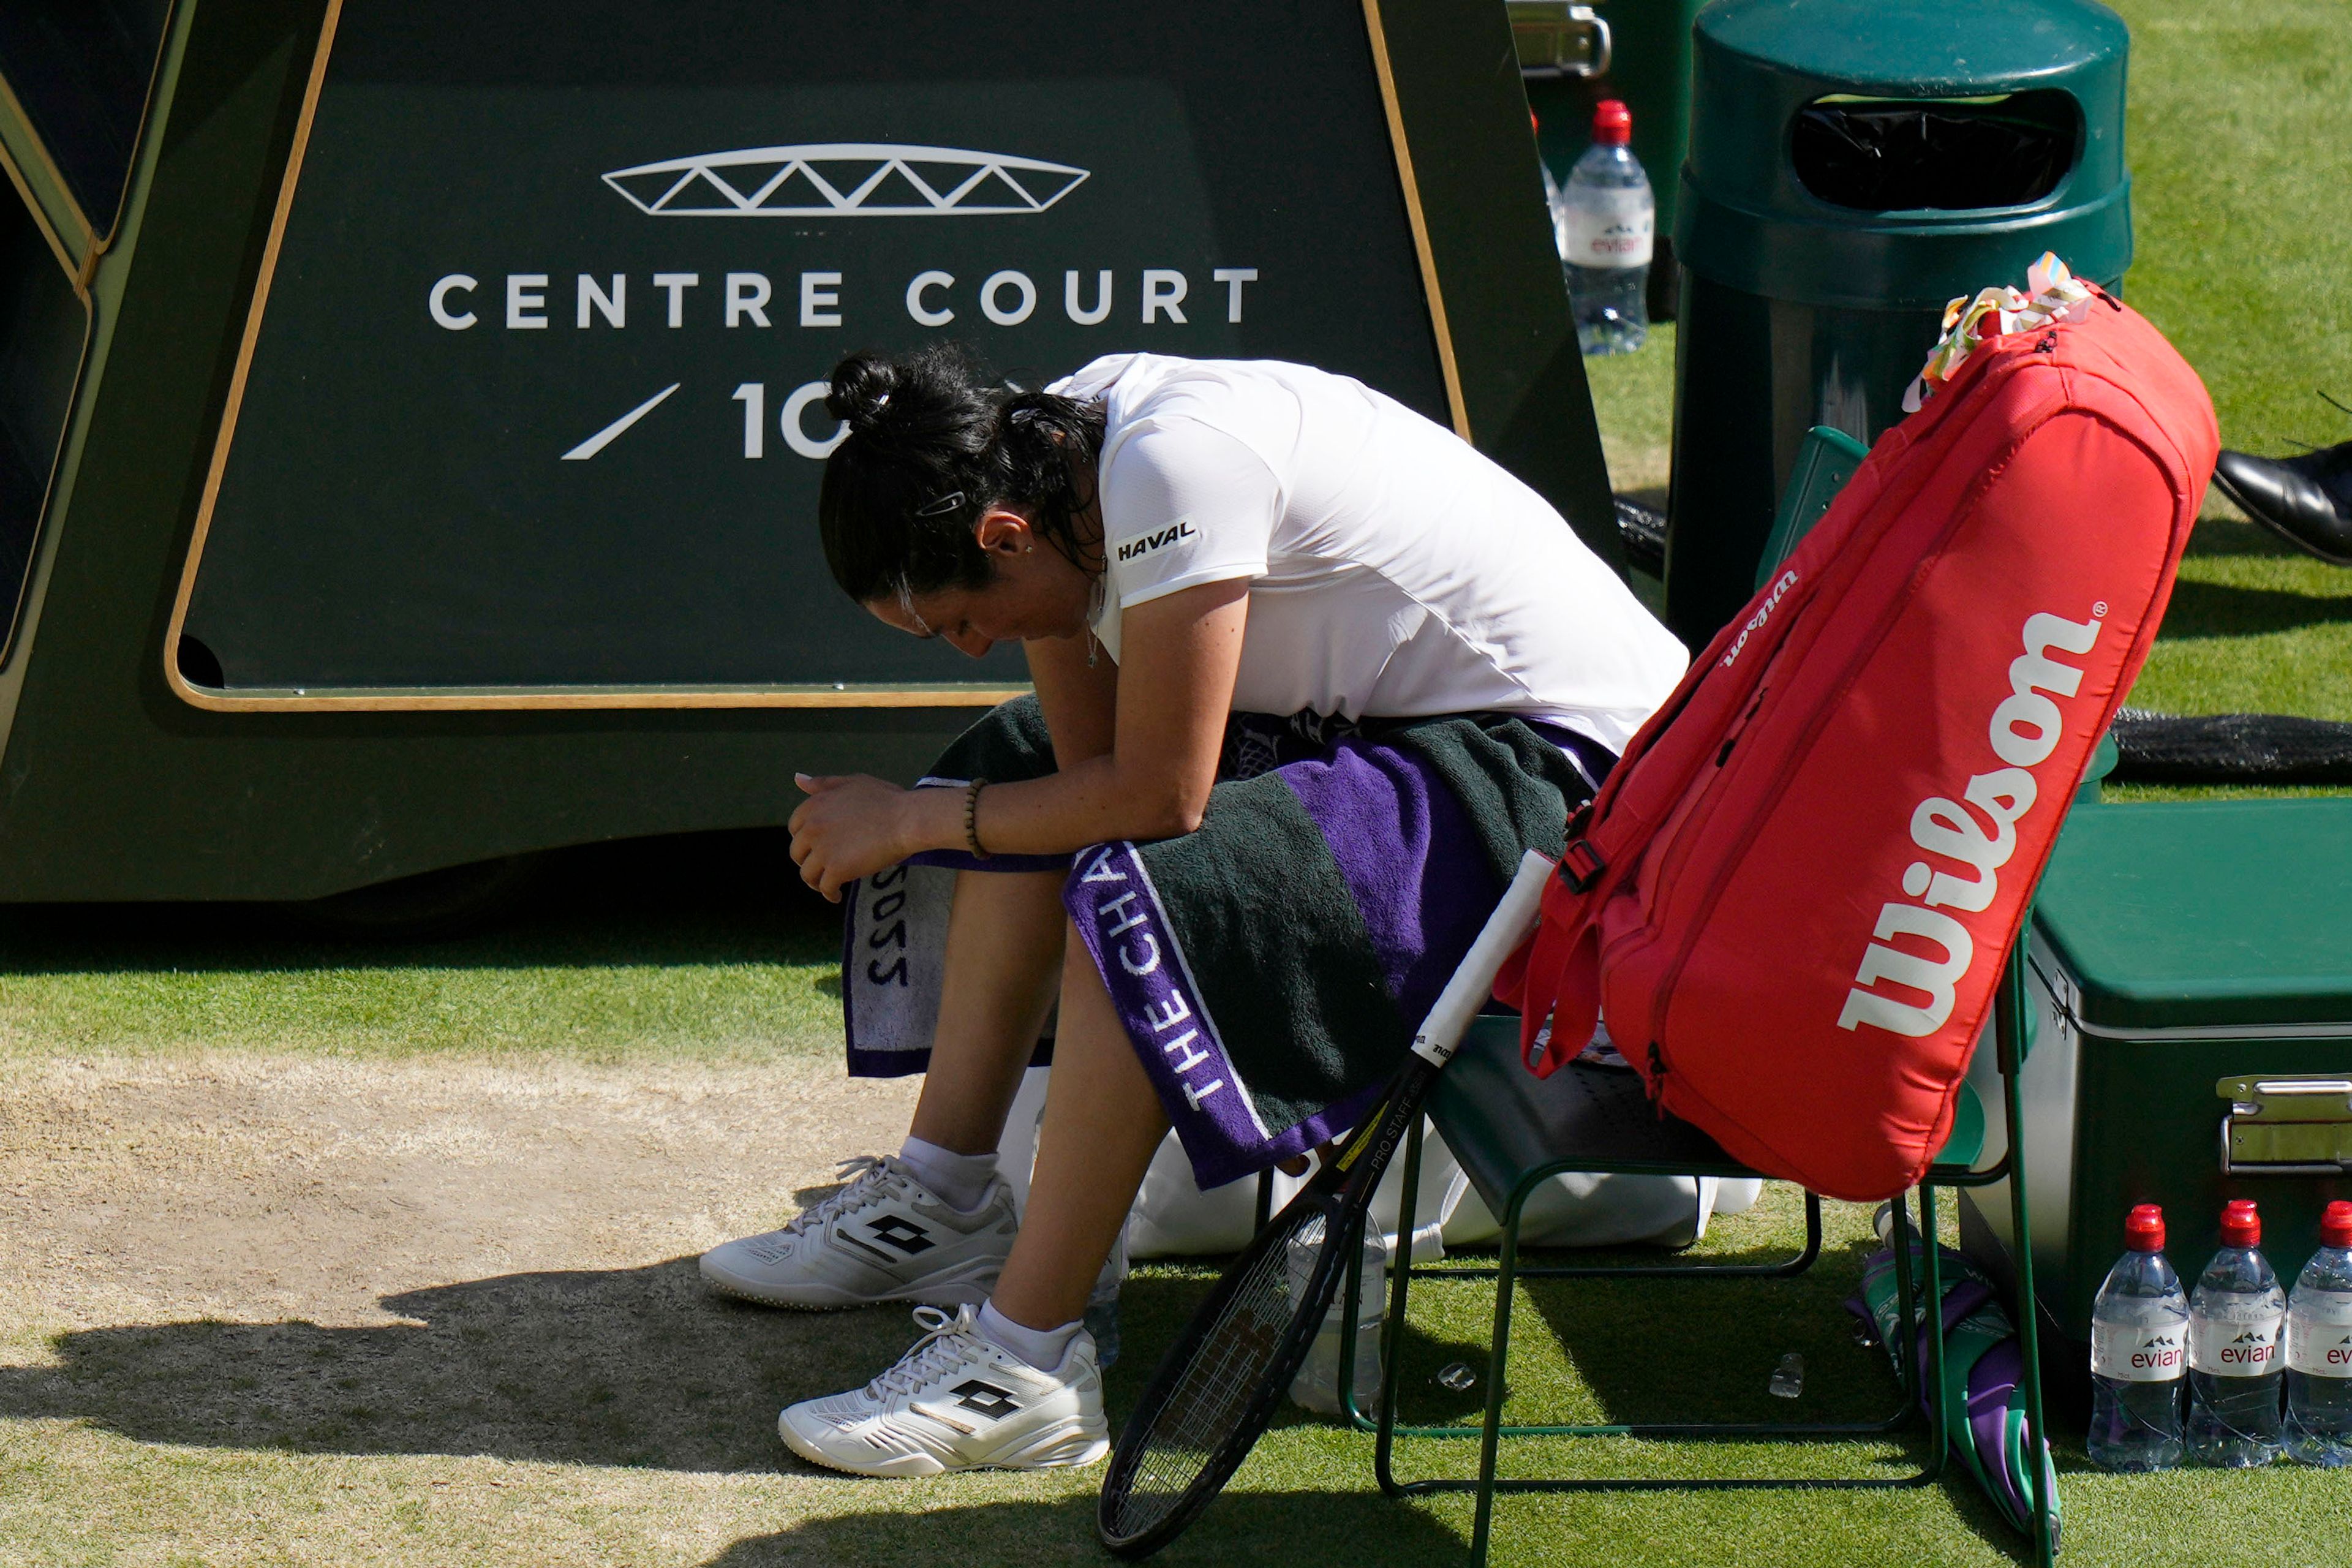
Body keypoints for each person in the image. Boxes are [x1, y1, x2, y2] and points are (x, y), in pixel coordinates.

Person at [702, 345, 1686, 1477]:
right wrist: (965, 810)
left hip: (1581, 777)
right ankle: (947, 1196)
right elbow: (1089, 779)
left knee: (1150, 886)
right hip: (1416, 731)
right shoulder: (1054, 457)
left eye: (962, 624)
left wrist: (915, 823)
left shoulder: (1171, 468)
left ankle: (1028, 1369)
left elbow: (1158, 799)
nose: (977, 649)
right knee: (1015, 773)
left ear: (1004, 536)